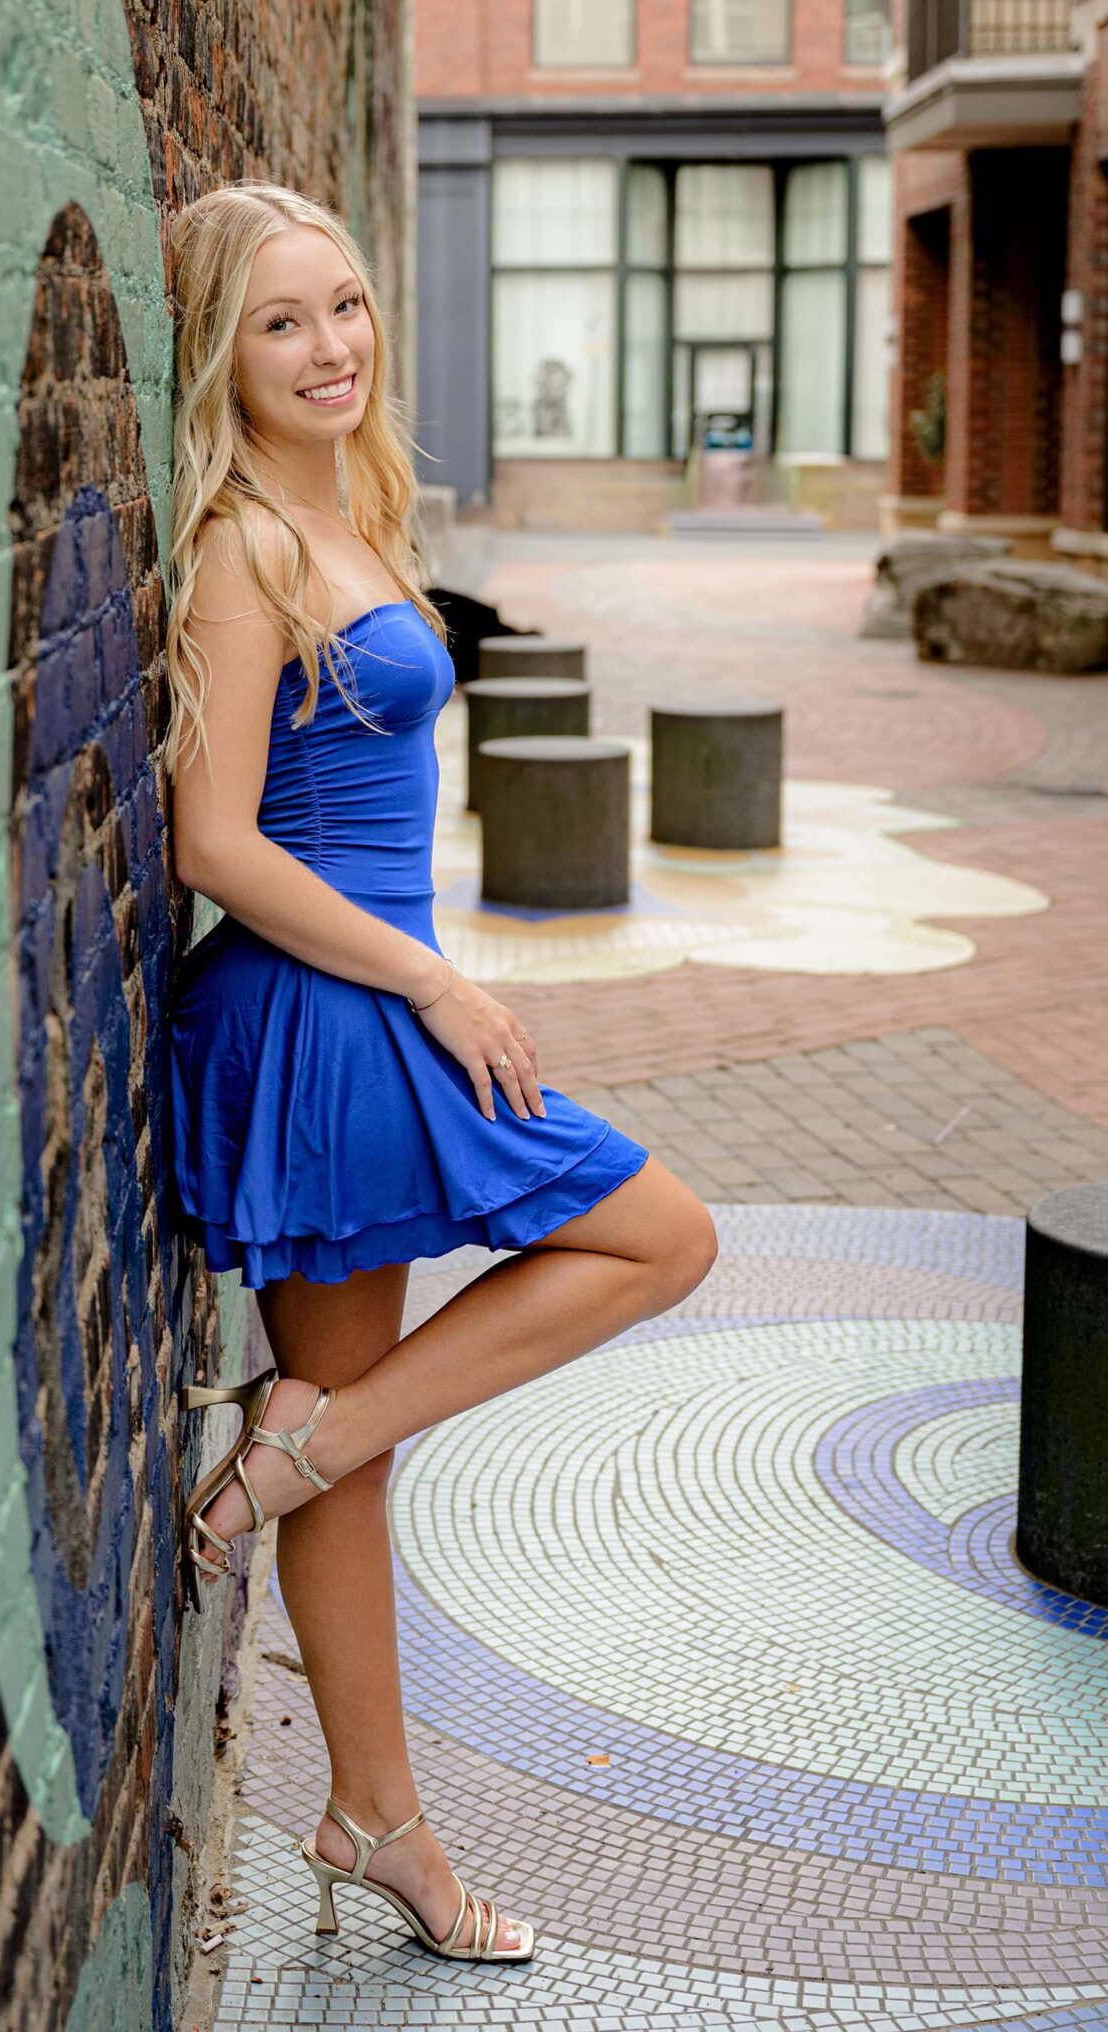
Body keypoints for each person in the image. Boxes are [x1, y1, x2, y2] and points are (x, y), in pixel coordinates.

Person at [161, 180, 718, 1968]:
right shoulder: (246, 543)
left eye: (342, 307)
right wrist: (435, 985)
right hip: (330, 1018)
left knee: (345, 1455)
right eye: (279, 323)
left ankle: (371, 1815)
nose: (328, 348)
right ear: (220, 356)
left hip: (364, 1006)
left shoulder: (357, 507)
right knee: (662, 1235)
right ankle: (294, 1451)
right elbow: (211, 838)